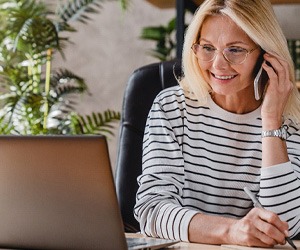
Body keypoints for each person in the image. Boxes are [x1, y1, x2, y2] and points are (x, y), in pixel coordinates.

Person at [134, 0, 300, 248]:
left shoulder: (292, 120)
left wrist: (271, 120)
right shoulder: (171, 108)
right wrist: (231, 231)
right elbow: (152, 210)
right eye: (208, 48)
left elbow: (282, 228)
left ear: (267, 56)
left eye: (235, 50)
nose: (218, 65)